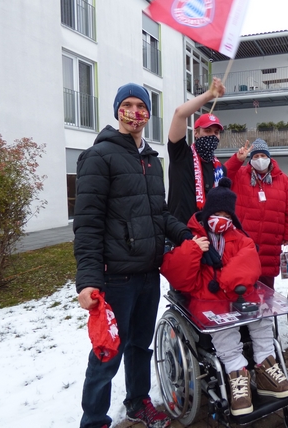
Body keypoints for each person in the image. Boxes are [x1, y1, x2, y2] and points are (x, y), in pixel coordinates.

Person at [74, 83, 192, 428]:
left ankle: (138, 403)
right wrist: (89, 280)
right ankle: (94, 420)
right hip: (116, 278)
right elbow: (88, 223)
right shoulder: (99, 157)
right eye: (127, 104)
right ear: (116, 111)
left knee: (141, 346)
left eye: (141, 105)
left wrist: (186, 234)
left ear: (148, 115)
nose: (135, 111)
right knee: (107, 352)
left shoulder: (152, 161)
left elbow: (159, 213)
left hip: (147, 274)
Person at [160, 177, 288, 416]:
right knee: (224, 327)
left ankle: (266, 366)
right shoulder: (190, 235)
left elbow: (249, 262)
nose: (221, 218)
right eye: (217, 212)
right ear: (207, 211)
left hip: (238, 294)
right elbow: (176, 275)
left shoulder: (240, 237)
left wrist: (225, 284)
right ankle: (237, 374)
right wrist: (193, 249)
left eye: (227, 214)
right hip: (206, 299)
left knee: (261, 315)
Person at [225, 138, 288, 289]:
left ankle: (267, 311)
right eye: (256, 157)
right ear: (251, 159)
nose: (260, 160)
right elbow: (223, 177)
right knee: (242, 283)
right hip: (243, 238)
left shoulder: (283, 180)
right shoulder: (239, 174)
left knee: (266, 286)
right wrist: (236, 160)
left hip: (270, 240)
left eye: (263, 156)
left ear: (269, 157)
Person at [167, 77, 227, 225]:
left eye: (216, 132)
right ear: (196, 133)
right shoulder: (181, 155)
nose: (212, 135)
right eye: (207, 131)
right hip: (181, 236)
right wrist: (210, 95)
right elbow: (179, 113)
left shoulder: (220, 169)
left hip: (209, 237)